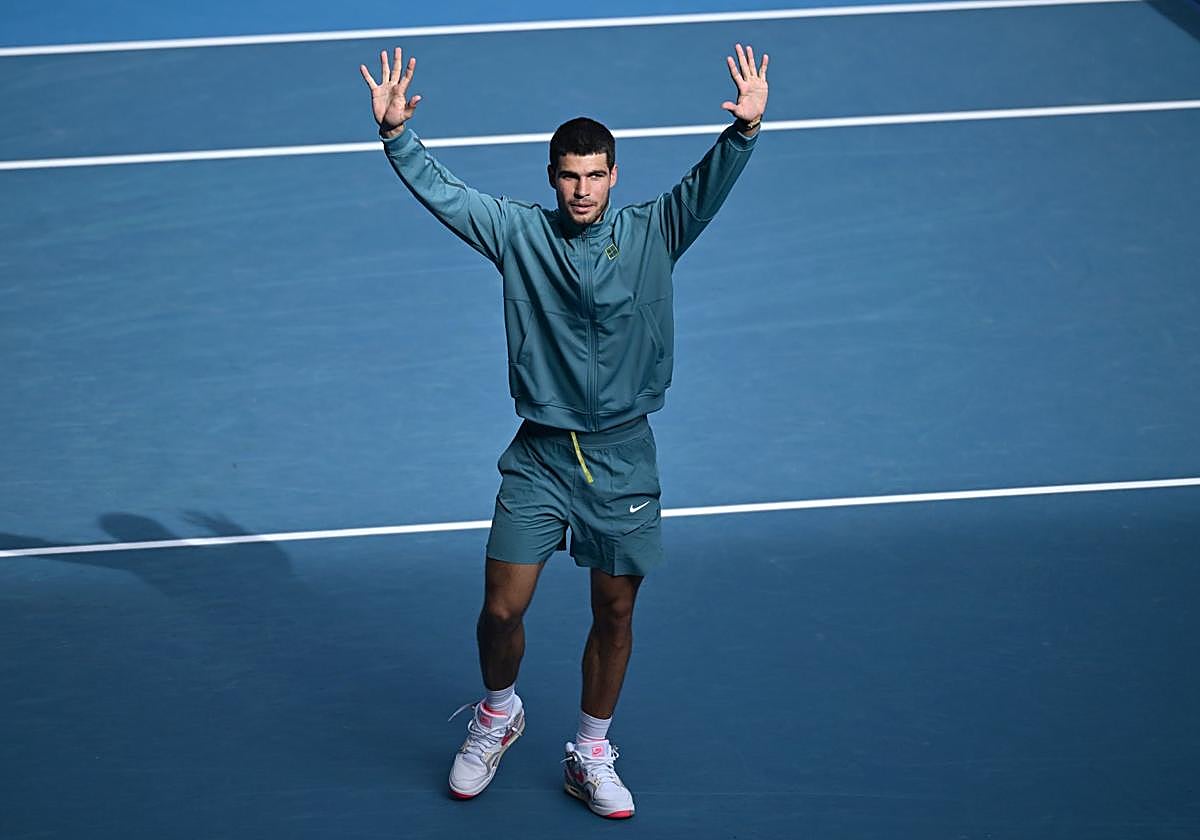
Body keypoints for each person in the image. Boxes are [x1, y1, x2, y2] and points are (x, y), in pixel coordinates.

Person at [359, 43, 768, 819]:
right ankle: (498, 713)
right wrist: (395, 138)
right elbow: (449, 196)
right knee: (501, 608)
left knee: (614, 611)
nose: (582, 189)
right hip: (541, 458)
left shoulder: (656, 231)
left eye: (594, 175)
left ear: (614, 178)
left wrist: (743, 132)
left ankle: (590, 748)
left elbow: (706, 187)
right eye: (568, 176)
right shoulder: (519, 235)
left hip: (622, 459)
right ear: (552, 178)